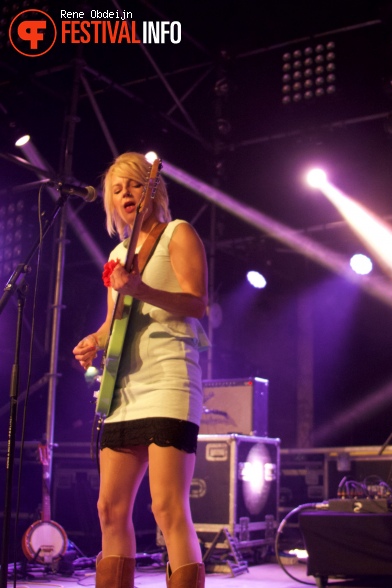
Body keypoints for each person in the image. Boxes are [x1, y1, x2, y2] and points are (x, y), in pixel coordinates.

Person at [73, 152, 208, 588]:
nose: (126, 193)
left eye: (134, 184)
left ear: (153, 189)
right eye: (117, 189)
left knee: (167, 508)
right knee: (108, 509)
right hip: (123, 391)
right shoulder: (117, 254)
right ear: (111, 204)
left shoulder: (177, 234)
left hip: (169, 382)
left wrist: (142, 287)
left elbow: (198, 303)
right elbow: (115, 321)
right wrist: (94, 340)